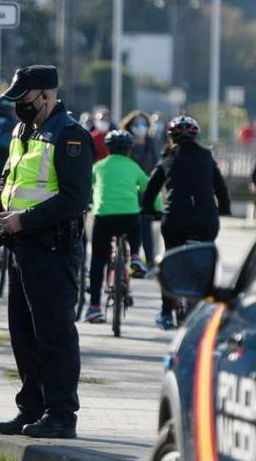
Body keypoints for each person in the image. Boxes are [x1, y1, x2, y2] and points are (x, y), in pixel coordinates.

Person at [0, 65, 93, 439]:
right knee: (23, 333)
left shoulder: (70, 135)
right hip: (22, 247)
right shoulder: (23, 130)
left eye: (24, 99)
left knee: (54, 334)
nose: (18, 107)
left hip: (53, 247)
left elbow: (76, 199)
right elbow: (8, 177)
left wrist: (24, 220)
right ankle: (31, 408)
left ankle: (61, 414)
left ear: (46, 96)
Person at [140, 116, 231, 331]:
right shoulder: (207, 157)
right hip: (205, 219)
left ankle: (165, 313)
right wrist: (223, 210)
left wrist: (148, 210)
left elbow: (151, 189)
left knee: (170, 263)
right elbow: (221, 189)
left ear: (171, 137)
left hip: (175, 219)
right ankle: (204, 313)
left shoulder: (168, 157)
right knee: (205, 263)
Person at [84, 130, 148, 324]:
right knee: (136, 221)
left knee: (97, 261)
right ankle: (136, 256)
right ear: (130, 150)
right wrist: (156, 209)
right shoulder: (134, 166)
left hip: (103, 216)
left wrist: (86, 203)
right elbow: (148, 188)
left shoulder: (99, 166)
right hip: (128, 215)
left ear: (107, 148)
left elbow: (86, 185)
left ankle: (94, 307)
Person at [120, 110, 159, 271]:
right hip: (128, 191)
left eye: (143, 124)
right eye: (136, 124)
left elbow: (157, 166)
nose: (140, 127)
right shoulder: (125, 143)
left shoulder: (151, 144)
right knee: (129, 228)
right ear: (130, 126)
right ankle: (128, 258)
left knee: (146, 228)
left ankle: (149, 262)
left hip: (146, 192)